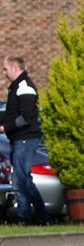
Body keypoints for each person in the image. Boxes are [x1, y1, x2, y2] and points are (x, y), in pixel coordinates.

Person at [2, 55, 50, 225]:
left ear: (15, 68)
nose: (4, 73)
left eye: (6, 69)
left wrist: (5, 128)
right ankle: (42, 216)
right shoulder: (17, 87)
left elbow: (27, 117)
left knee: (20, 180)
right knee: (24, 179)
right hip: (19, 139)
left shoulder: (25, 87)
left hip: (25, 139)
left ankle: (24, 217)